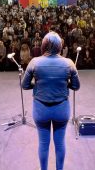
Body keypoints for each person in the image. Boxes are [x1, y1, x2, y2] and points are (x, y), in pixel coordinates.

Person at [22, 32, 80, 170]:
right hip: (61, 110)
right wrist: (67, 84)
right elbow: (76, 86)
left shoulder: (34, 62)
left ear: (44, 45)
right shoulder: (69, 63)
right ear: (60, 45)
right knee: (60, 144)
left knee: (43, 144)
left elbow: (24, 85)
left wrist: (36, 85)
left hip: (41, 110)